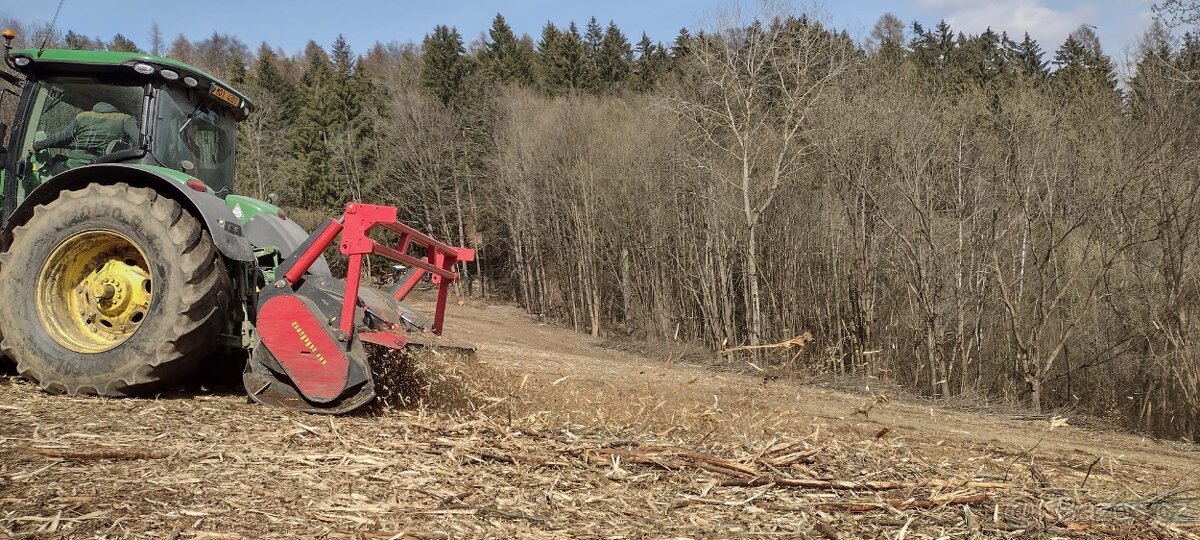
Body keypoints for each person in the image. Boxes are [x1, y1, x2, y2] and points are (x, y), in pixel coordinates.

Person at [33, 101, 139, 168]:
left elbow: (62, 137)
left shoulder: (83, 116)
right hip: (102, 168)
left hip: (74, 167)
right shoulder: (124, 119)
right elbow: (139, 141)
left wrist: (37, 146)